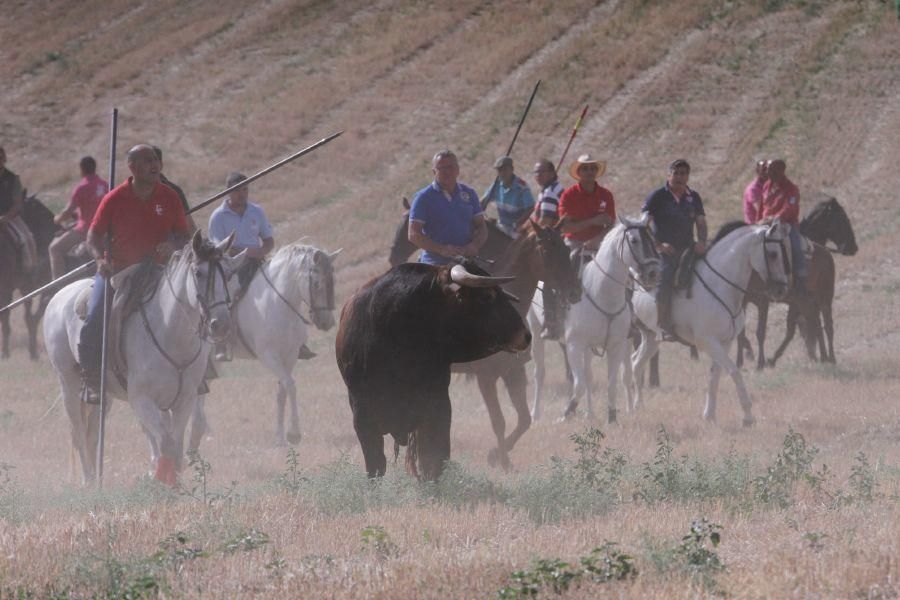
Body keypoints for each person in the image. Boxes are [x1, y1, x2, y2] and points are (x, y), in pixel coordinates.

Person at [78, 144, 190, 398]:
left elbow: (184, 235)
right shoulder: (114, 199)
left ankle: (197, 374)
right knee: (95, 316)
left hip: (159, 271)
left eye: (155, 160)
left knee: (190, 309)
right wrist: (99, 260)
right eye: (147, 161)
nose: (155, 165)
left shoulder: (170, 196)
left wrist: (172, 244)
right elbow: (92, 236)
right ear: (133, 167)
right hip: (118, 272)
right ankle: (91, 378)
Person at [208, 171, 276, 361]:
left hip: (258, 262)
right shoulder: (218, 217)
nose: (243, 194)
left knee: (281, 287)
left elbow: (269, 240)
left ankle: (295, 338)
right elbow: (217, 248)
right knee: (227, 297)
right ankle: (221, 342)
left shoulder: (257, 211)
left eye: (245, 189)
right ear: (228, 192)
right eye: (238, 190)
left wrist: (262, 252)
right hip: (232, 266)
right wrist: (245, 252)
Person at [641, 159, 708, 337]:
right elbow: (644, 225)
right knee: (664, 281)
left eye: (683, 174)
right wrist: (659, 245)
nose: (679, 177)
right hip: (665, 250)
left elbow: (701, 222)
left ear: (688, 176)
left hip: (688, 247)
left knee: (711, 270)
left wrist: (702, 241)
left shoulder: (694, 197)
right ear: (668, 175)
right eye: (676, 173)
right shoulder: (657, 197)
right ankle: (661, 325)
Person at [408, 150, 487, 265]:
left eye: (451, 167)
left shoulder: (469, 193)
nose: (447, 172)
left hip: (467, 261)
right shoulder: (423, 198)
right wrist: (441, 249)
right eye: (441, 168)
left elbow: (482, 226)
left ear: (458, 169)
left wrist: (474, 245)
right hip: (434, 265)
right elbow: (413, 234)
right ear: (434, 171)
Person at [49, 156, 109, 280]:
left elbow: (68, 211)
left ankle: (58, 284)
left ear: (81, 169)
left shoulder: (82, 187)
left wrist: (57, 219)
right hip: (104, 230)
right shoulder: (105, 185)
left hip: (85, 230)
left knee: (54, 248)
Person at [758, 158, 806, 294]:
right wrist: (757, 222)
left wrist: (773, 219)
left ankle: (801, 279)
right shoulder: (766, 186)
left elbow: (789, 209)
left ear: (781, 171)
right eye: (768, 170)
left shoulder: (791, 189)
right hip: (765, 224)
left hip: (787, 225)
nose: (768, 173)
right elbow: (761, 207)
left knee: (796, 246)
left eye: (772, 170)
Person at [531, 158, 566, 339]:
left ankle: (551, 320)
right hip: (553, 241)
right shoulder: (547, 191)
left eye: (542, 172)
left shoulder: (550, 194)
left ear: (552, 173)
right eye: (536, 173)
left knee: (544, 276)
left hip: (555, 243)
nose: (538, 176)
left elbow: (544, 223)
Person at [558, 153, 616, 253]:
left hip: (600, 242)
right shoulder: (568, 195)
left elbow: (611, 224)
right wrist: (593, 221)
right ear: (578, 172)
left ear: (597, 171)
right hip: (574, 243)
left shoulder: (606, 195)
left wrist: (596, 240)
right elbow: (565, 228)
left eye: (593, 168)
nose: (589, 172)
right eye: (585, 169)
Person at [0, 146, 37, 274]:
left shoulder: (12, 179)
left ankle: (29, 270)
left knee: (26, 237)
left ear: (4, 159)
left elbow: (17, 204)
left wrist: (6, 217)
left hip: (11, 217)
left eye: (0, 158)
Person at [481, 156, 534, 236]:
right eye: (499, 170)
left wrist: (519, 222)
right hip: (501, 227)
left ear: (512, 169)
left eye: (505, 170)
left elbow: (531, 208)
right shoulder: (496, 185)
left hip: (517, 230)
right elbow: (483, 201)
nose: (502, 173)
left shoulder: (522, 187)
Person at [152, 146, 198, 234]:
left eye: (154, 161)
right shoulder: (128, 192)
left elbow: (189, 227)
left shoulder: (174, 191)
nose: (150, 167)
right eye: (145, 162)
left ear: (160, 165)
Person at [743, 159, 767, 225]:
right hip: (754, 225)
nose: (767, 172)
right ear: (758, 171)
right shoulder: (753, 189)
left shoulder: (771, 186)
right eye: (764, 170)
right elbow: (760, 210)